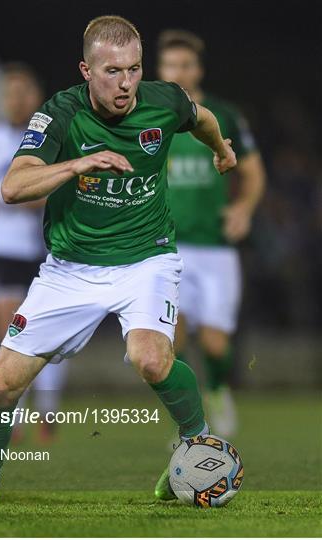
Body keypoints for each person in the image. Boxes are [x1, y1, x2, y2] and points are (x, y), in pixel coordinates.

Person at [0, 15, 236, 508]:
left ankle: (198, 449)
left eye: (134, 69)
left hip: (147, 259)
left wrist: (221, 150)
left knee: (151, 359)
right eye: (112, 71)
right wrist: (79, 163)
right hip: (70, 269)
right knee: (1, 384)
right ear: (86, 69)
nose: (126, 83)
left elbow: (201, 117)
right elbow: (12, 187)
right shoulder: (61, 114)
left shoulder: (162, 100)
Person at [156, 30, 265, 437]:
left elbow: (253, 171)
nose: (178, 72)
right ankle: (188, 421)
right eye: (171, 66)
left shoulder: (223, 114)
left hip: (216, 247)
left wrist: (244, 207)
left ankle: (219, 390)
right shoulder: (150, 114)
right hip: (167, 246)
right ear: (160, 70)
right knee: (174, 340)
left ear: (198, 69)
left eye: (185, 65)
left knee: (217, 343)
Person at [0, 63, 68, 443]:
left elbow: (52, 189)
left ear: (35, 97)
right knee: (7, 332)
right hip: (3, 247)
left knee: (48, 334)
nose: (17, 99)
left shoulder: (48, 136)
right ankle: (8, 415)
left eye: (23, 92)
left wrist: (30, 197)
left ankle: (48, 412)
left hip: (44, 247)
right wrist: (14, 198)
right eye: (10, 92)